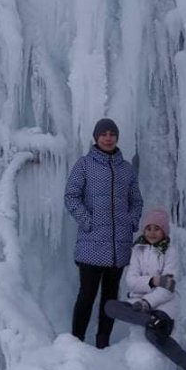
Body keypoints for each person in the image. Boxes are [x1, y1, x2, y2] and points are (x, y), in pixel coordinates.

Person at [105, 207, 186, 370]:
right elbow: (131, 280)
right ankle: (149, 320)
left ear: (164, 231)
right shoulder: (137, 250)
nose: (152, 232)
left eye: (157, 229)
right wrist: (154, 281)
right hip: (139, 304)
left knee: (154, 336)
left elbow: (168, 287)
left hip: (163, 305)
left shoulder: (170, 253)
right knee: (110, 306)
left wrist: (148, 300)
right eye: (148, 228)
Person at [64, 118, 143, 349]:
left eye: (112, 134)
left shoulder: (126, 169)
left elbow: (136, 201)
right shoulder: (85, 165)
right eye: (104, 134)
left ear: (117, 137)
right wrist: (88, 221)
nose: (108, 138)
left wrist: (131, 222)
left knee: (110, 300)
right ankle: (75, 342)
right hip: (91, 245)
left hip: (118, 246)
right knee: (86, 296)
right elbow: (71, 196)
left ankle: (102, 344)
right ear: (96, 137)